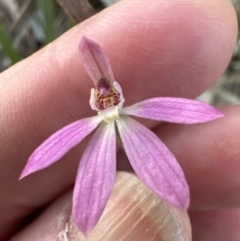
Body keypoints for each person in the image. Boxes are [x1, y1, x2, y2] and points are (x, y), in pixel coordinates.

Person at [0, 0, 238, 240]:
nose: (106, 94)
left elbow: (187, 111)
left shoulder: (141, 109)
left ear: (117, 92)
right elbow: (45, 155)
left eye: (109, 91)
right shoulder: (88, 126)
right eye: (102, 93)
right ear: (95, 98)